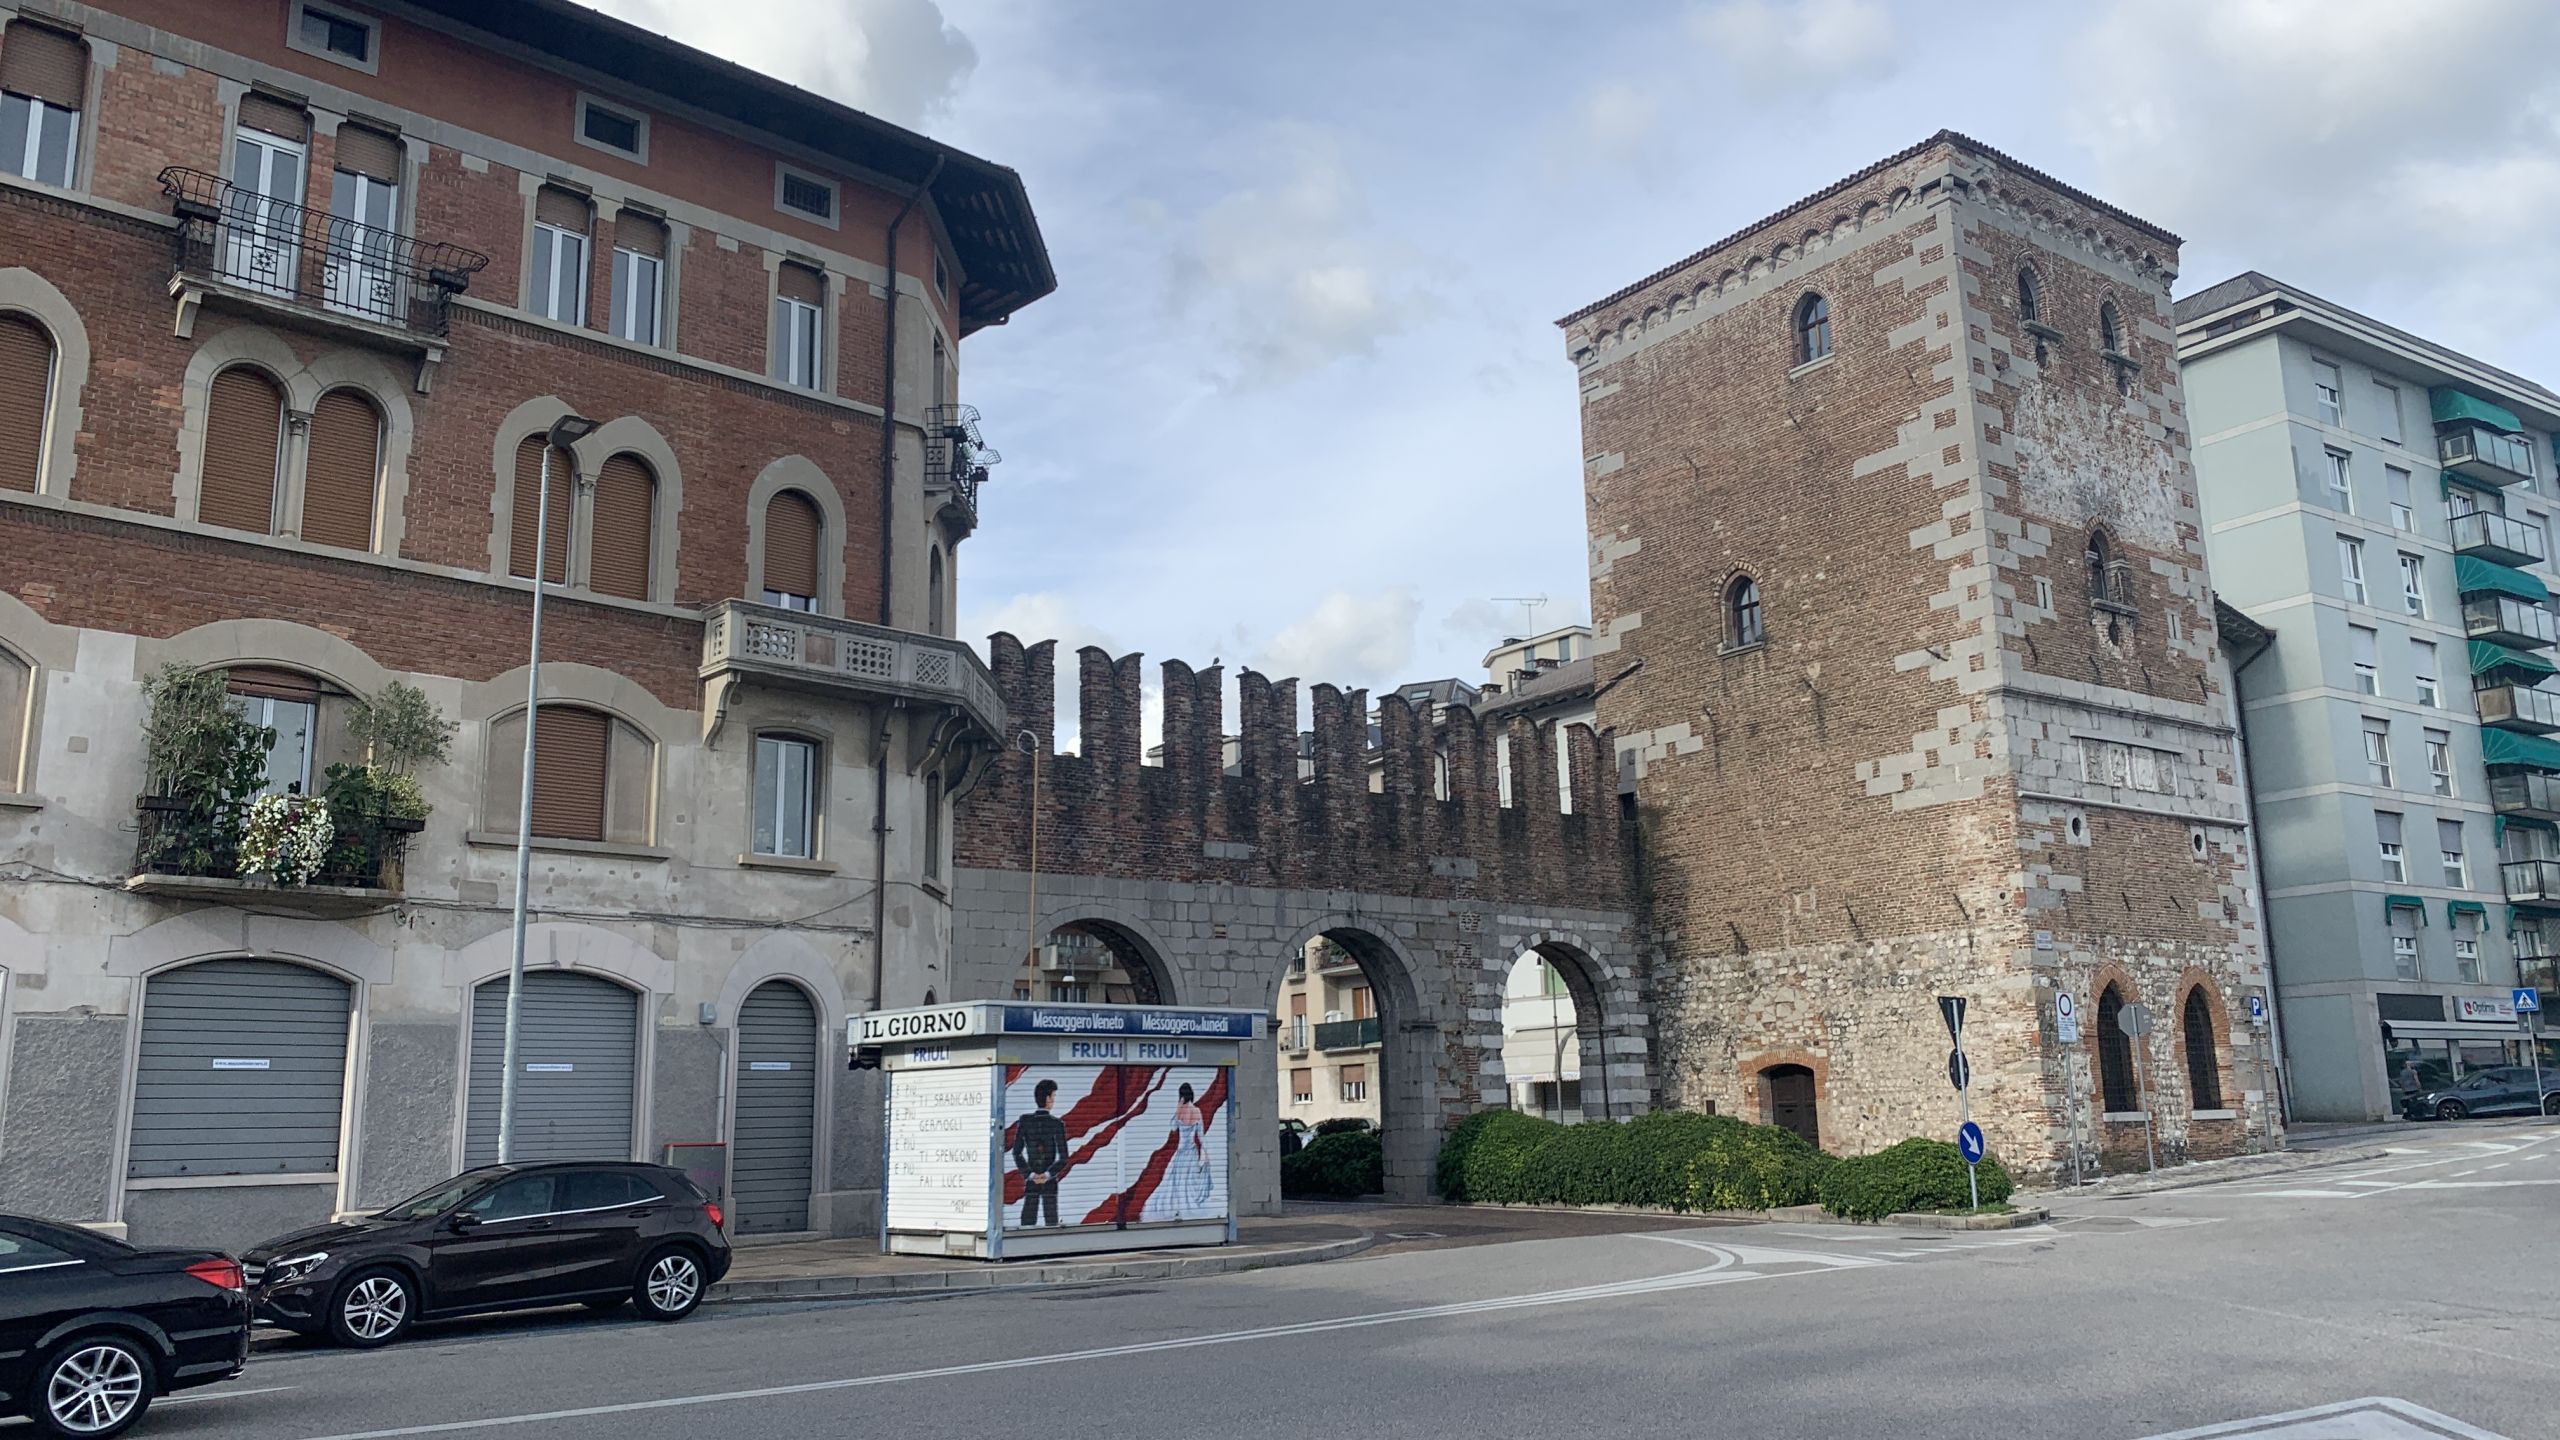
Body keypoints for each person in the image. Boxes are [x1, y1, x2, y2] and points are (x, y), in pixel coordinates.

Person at [1013, 1077, 1069, 1227]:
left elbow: (1017, 1152)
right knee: (1051, 1220)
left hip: (1031, 1179)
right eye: (1053, 1096)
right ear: (1048, 1098)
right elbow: (1063, 1157)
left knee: (1028, 1219)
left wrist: (1030, 1174)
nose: (1054, 1100)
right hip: (1050, 1181)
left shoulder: (1025, 1121)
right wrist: (1048, 1174)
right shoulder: (1057, 1124)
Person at [1173, 1082, 1213, 1211]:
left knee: (1179, 1182)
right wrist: (1206, 1153)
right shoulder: (1196, 1111)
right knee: (1190, 1182)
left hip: (1181, 1152)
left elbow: (1173, 1127)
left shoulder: (1180, 1110)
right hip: (1191, 1151)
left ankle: (1181, 1209)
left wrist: (1178, 1109)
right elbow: (1201, 1135)